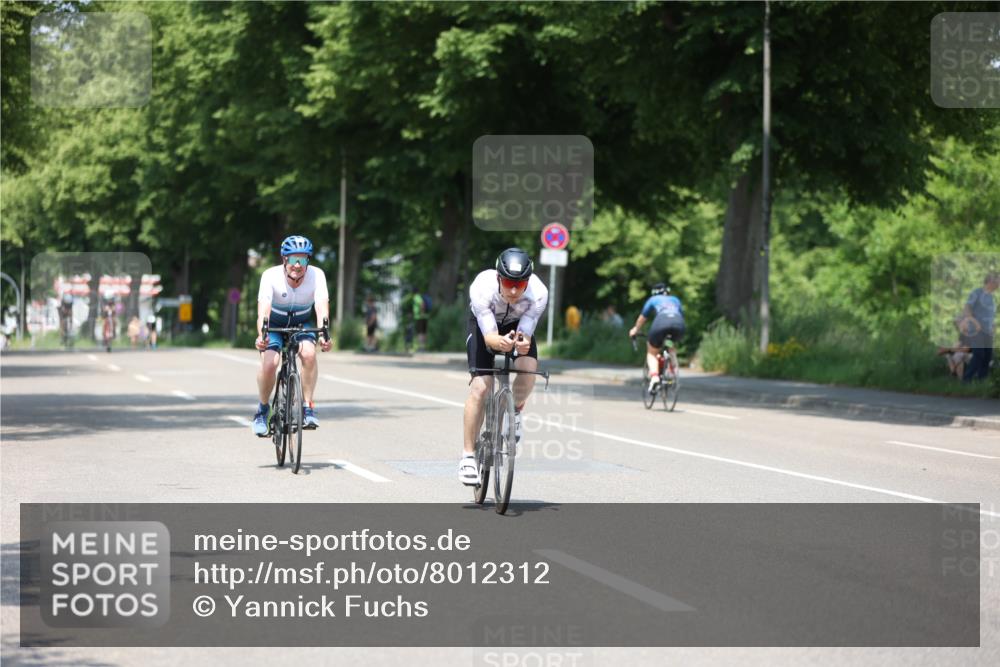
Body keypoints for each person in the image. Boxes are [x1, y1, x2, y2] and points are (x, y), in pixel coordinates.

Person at [459, 248, 548, 485]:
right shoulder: (482, 287)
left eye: (520, 285)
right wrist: (499, 342)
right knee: (481, 387)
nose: (513, 290)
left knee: (529, 370)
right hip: (484, 325)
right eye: (508, 283)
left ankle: (515, 410)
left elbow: (526, 332)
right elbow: (489, 338)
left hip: (517, 322)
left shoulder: (539, 293)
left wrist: (523, 341)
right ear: (499, 278)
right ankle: (467, 456)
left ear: (528, 282)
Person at [252, 235, 332, 436]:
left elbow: (322, 307)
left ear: (308, 261)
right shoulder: (270, 276)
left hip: (301, 321)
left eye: (303, 259)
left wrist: (324, 333)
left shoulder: (317, 275)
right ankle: (262, 410)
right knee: (270, 363)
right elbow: (264, 311)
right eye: (293, 259)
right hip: (275, 323)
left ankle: (307, 408)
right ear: (284, 259)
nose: (298, 265)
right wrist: (262, 335)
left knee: (309, 355)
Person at [629, 283, 686, 394]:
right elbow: (681, 315)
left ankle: (655, 377)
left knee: (652, 352)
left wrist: (635, 329)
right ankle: (673, 368)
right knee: (670, 343)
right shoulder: (675, 299)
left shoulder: (653, 299)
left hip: (661, 323)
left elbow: (642, 318)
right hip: (678, 324)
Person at [961, 271, 998, 382]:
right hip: (977, 331)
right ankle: (966, 380)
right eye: (998, 280)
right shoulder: (976, 293)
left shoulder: (991, 298)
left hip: (988, 332)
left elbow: (989, 315)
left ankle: (982, 382)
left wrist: (993, 326)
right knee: (979, 354)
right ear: (990, 281)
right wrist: (974, 322)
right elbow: (966, 309)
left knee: (987, 356)